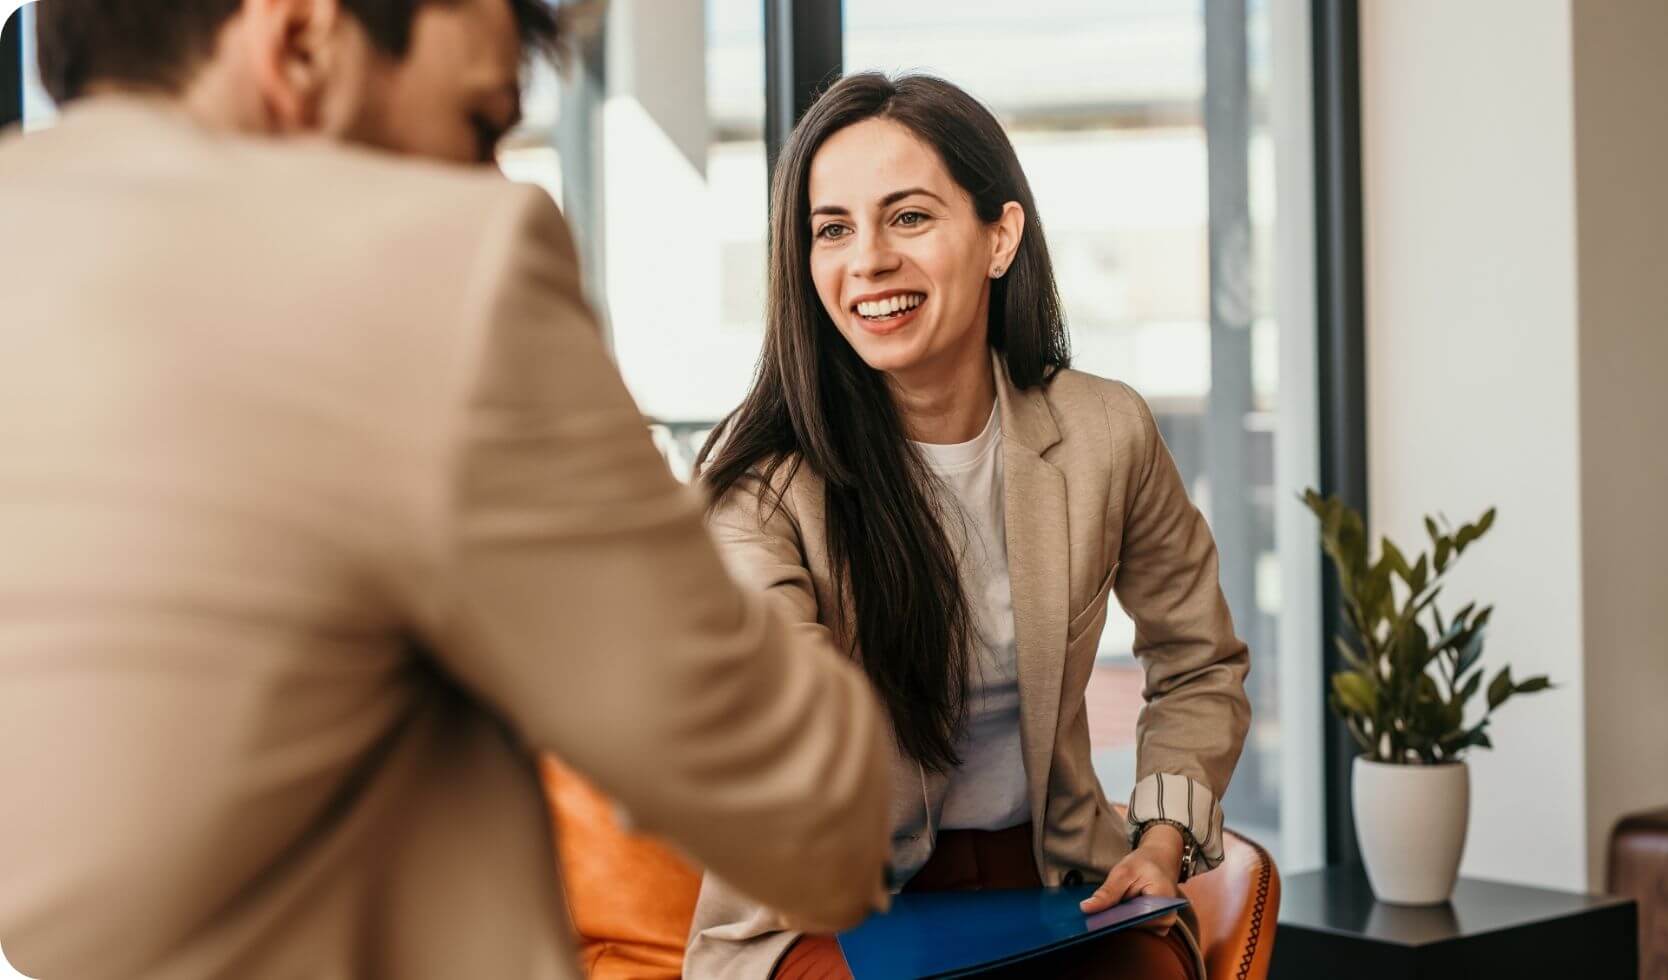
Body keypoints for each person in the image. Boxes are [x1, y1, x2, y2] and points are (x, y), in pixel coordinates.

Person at [0, 2, 893, 978]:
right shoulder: (431, 269)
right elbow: (814, 818)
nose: (495, 179)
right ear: (301, 43)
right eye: (480, 124)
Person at [685, 72, 1252, 980]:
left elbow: (1199, 660)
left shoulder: (1107, 435)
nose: (866, 260)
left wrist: (1162, 837)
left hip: (1055, 877)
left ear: (1000, 237)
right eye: (831, 229)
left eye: (907, 217)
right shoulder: (761, 495)